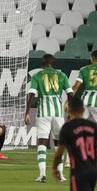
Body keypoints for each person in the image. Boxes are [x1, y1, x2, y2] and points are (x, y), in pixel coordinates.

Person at [25, 54, 73, 183]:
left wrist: (27, 112)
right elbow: (70, 93)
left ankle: (42, 174)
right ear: (53, 63)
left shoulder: (37, 76)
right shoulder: (62, 75)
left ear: (42, 64)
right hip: (58, 114)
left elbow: (32, 94)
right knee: (59, 143)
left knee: (42, 143)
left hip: (43, 113)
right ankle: (61, 175)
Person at [53, 96, 97, 191]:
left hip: (79, 172)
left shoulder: (67, 128)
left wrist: (54, 167)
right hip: (93, 171)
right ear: (82, 109)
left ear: (69, 110)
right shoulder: (93, 126)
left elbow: (59, 153)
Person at [72, 50, 97, 123]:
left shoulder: (84, 69)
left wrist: (69, 100)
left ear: (92, 58)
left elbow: (75, 87)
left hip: (85, 101)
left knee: (82, 125)